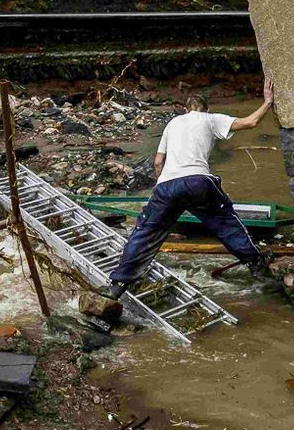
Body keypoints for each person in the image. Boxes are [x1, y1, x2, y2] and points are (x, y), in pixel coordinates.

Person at [104, 80, 275, 297]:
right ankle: (255, 263)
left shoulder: (173, 123)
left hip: (166, 185)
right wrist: (268, 101)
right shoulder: (211, 119)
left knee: (146, 233)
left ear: (186, 109)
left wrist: (161, 188)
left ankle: (117, 286)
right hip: (198, 182)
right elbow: (250, 122)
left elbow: (158, 162)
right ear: (206, 109)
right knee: (225, 222)